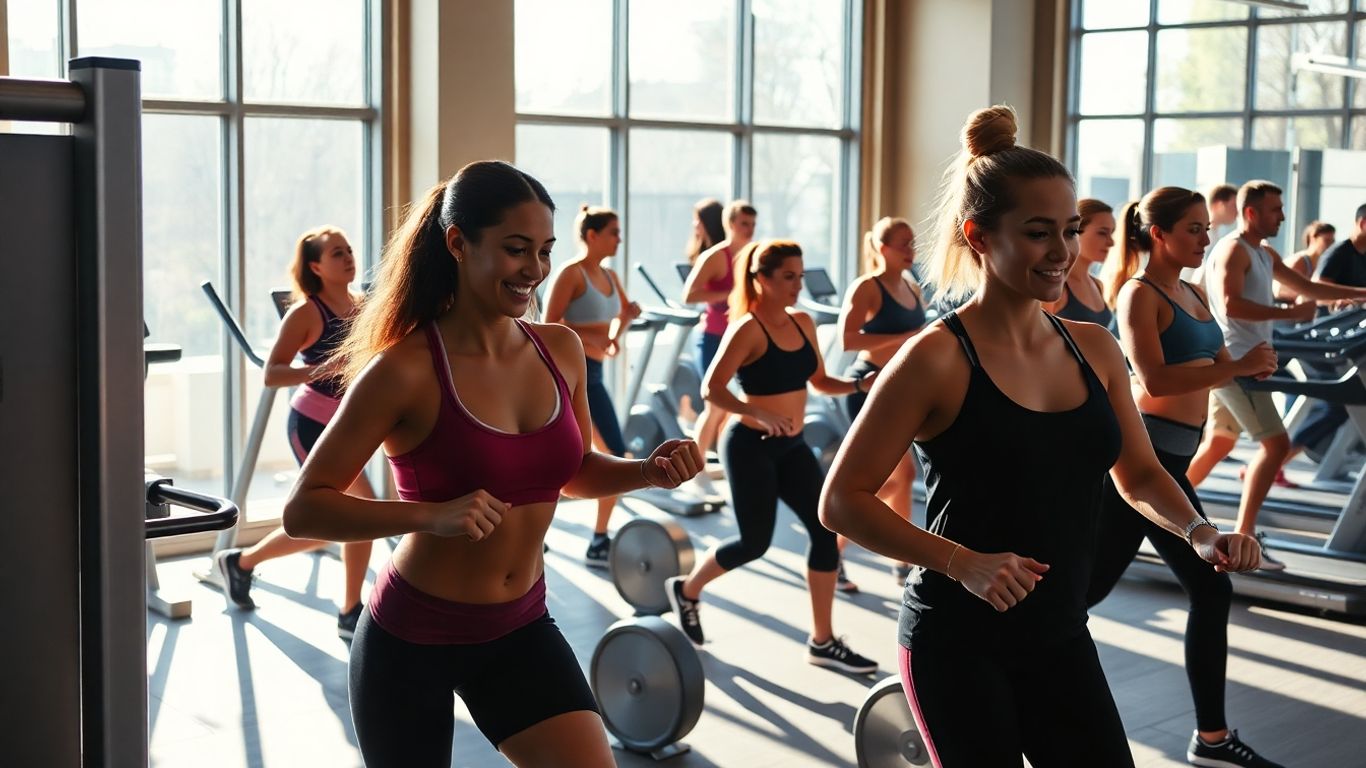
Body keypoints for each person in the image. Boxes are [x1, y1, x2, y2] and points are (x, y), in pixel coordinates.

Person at [819, 106, 1262, 767]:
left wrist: (1197, 531)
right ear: (978, 236)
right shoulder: (935, 358)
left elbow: (1138, 474)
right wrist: (959, 561)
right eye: (1037, 233)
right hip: (957, 638)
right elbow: (842, 500)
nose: (1062, 252)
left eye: (1070, 231)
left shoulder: (1096, 349)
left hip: (1059, 632)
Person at [282, 161, 702, 767]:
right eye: (515, 249)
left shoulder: (559, 349)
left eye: (544, 251)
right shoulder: (405, 369)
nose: (533, 270)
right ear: (458, 242)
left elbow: (575, 470)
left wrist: (644, 470)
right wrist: (429, 515)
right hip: (410, 637)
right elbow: (303, 508)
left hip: (519, 625)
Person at [1092, 187, 1285, 768]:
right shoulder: (1138, 295)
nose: (1206, 238)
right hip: (1142, 459)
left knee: (1197, 587)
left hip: (1174, 456)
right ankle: (1212, 739)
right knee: (1089, 593)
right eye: (1195, 230)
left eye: (1206, 228)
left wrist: (1248, 364)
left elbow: (1206, 366)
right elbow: (1151, 382)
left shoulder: (1195, 293)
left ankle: (1212, 740)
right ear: (1159, 234)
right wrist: (1236, 367)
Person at [665, 239, 878, 675]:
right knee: (753, 543)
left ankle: (823, 640)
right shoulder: (747, 328)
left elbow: (818, 380)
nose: (798, 286)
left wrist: (859, 386)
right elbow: (712, 388)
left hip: (794, 447)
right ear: (761, 280)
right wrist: (754, 410)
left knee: (825, 531)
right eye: (788, 277)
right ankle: (687, 590)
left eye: (800, 276)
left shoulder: (803, 322)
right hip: (750, 448)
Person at [1185, 181, 1366, 570]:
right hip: (1238, 366)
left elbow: (1306, 287)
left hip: (1247, 363)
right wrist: (1289, 315)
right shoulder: (1234, 249)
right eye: (1275, 210)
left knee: (1218, 445)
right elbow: (1232, 306)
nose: (1283, 216)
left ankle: (1162, 517)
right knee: (1275, 447)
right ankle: (1246, 539)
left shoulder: (1262, 251)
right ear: (1251, 213)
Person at [215, 226, 375, 639]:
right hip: (313, 424)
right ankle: (350, 610)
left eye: (349, 250)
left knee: (330, 523)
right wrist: (321, 369)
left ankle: (242, 563)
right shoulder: (305, 313)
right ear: (316, 267)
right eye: (336, 253)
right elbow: (272, 374)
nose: (348, 257)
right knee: (362, 512)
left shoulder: (363, 306)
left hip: (351, 424)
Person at [542, 205, 641, 567]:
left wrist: (620, 328)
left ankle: (598, 538)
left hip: (595, 373)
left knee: (611, 455)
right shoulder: (572, 274)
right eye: (613, 232)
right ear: (592, 235)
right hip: (568, 376)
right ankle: (554, 535)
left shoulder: (611, 276)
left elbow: (617, 323)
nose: (619, 238)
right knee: (604, 456)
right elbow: (550, 325)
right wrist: (593, 342)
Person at [836, 216, 928, 589]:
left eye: (912, 242)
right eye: (903, 243)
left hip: (901, 389)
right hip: (869, 386)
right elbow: (847, 340)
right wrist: (906, 337)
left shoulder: (911, 286)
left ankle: (898, 561)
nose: (911, 250)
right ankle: (837, 545)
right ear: (882, 248)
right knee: (889, 479)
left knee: (902, 478)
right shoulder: (867, 288)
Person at [681, 200, 757, 460]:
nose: (750, 229)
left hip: (742, 339)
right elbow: (689, 295)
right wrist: (732, 293)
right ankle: (695, 467)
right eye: (744, 224)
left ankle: (726, 460)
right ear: (730, 224)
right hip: (713, 337)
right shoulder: (715, 256)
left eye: (753, 224)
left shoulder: (753, 255)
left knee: (738, 406)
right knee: (714, 407)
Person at [1047, 198, 1115, 329]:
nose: (1111, 242)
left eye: (1111, 233)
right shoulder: (1055, 284)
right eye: (1102, 233)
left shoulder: (1098, 285)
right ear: (1074, 232)